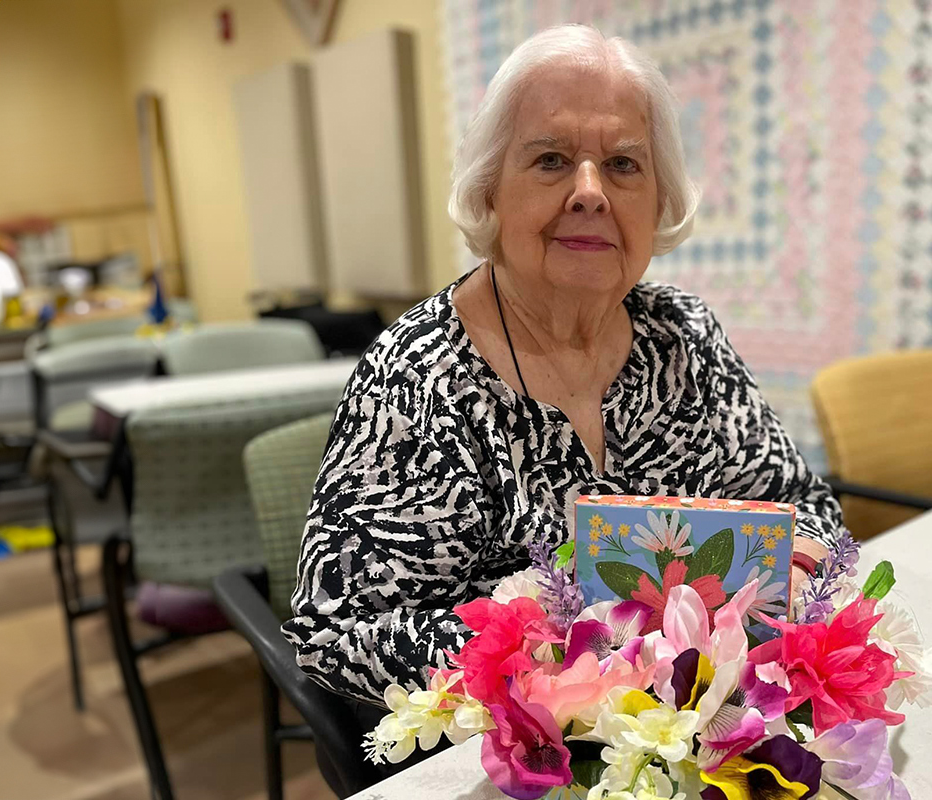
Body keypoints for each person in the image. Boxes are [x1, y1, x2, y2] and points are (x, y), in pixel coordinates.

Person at [283, 24, 844, 706]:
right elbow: (337, 633)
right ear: (490, 188)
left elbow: (801, 506)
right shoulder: (419, 377)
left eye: (623, 165)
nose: (590, 192)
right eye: (551, 160)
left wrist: (800, 574)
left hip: (695, 726)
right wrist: (575, 664)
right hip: (506, 748)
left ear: (660, 198)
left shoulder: (684, 336)